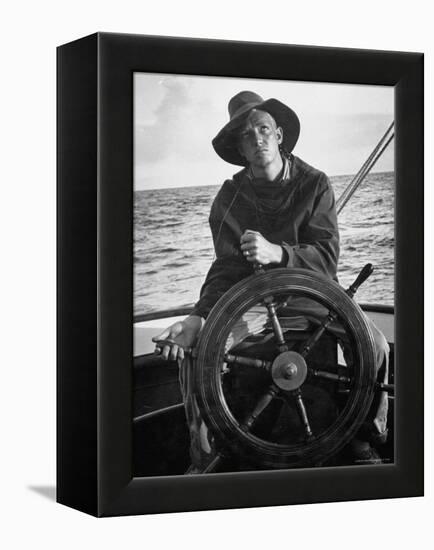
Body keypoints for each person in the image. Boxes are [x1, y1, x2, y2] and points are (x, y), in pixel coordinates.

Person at [153, 91, 389, 472]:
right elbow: (225, 271)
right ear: (240, 148)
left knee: (376, 346)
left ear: (279, 134)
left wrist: (278, 253)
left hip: (312, 297)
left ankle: (367, 437)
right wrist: (198, 318)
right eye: (247, 135)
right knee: (196, 354)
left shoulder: (316, 183)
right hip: (255, 306)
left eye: (263, 128)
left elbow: (327, 261)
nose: (257, 138)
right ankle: (203, 456)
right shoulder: (229, 198)